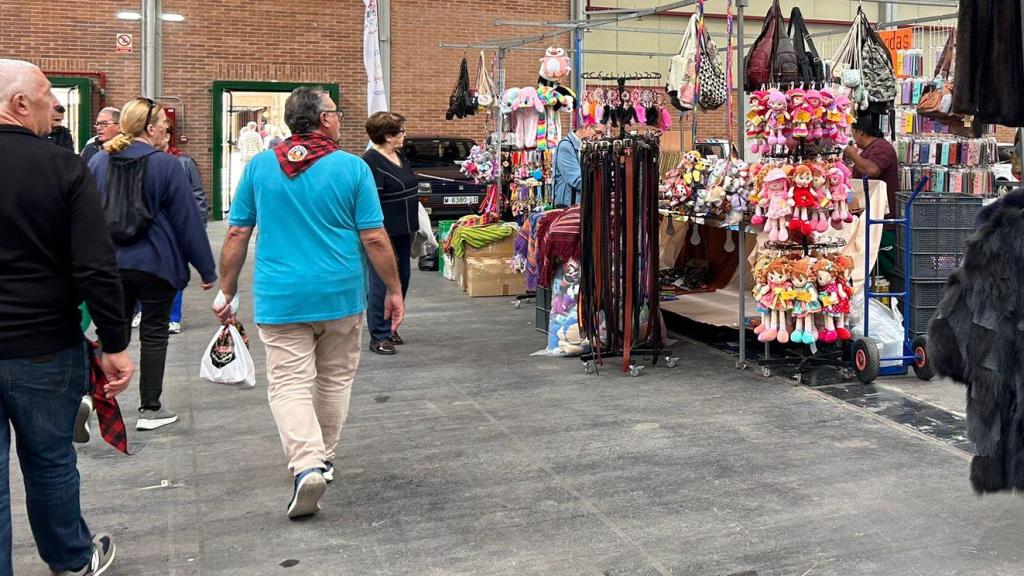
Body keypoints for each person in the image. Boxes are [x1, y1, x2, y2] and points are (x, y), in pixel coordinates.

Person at [214, 86, 404, 519]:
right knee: (334, 380)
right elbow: (373, 237)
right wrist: (393, 289)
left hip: (281, 298)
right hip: (339, 295)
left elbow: (237, 233)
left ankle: (306, 463)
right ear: (323, 120)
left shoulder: (261, 167)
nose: (339, 119)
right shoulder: (352, 169)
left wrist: (227, 289)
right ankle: (324, 457)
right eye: (335, 113)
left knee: (288, 383)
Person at [0, 58, 133, 576]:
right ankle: (71, 560)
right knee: (50, 459)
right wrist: (115, 342)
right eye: (47, 98)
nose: (55, 108)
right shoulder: (62, 167)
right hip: (43, 344)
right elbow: (95, 265)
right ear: (18, 104)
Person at [88, 98, 217, 431]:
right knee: (154, 334)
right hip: (156, 264)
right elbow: (186, 220)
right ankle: (150, 409)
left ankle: (89, 397)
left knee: (110, 331)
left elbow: (83, 216)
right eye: (163, 123)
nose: (167, 128)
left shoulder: (100, 162)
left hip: (110, 264)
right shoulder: (167, 165)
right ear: (149, 128)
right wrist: (206, 268)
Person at [361, 112, 420, 355]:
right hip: (383, 232)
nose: (405, 135)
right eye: (401, 132)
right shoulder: (370, 162)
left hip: (404, 230)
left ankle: (392, 323)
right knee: (380, 282)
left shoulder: (399, 155)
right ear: (387, 136)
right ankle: (379, 334)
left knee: (402, 275)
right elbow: (371, 201)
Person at [156, 133, 209, 334]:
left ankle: (173, 317)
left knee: (175, 272)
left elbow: (198, 195)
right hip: (154, 229)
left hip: (178, 227)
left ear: (168, 136)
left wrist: (199, 227)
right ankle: (141, 310)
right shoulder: (143, 160)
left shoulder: (185, 163)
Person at [844, 114, 899, 278]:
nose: (853, 138)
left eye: (853, 133)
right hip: (869, 218)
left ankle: (888, 301)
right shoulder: (869, 150)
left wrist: (850, 152)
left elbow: (872, 170)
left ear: (860, 132)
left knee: (883, 268)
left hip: (883, 221)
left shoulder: (881, 148)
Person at [553, 124, 601, 207]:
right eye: (597, 132)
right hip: (567, 205)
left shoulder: (582, 146)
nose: (599, 137)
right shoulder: (566, 147)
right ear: (586, 127)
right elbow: (577, 180)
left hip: (577, 203)